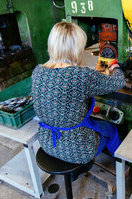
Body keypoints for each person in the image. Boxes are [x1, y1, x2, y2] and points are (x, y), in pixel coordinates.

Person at [31, 22, 125, 165]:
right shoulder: (80, 75)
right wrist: (115, 67)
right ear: (76, 48)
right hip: (78, 151)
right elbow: (118, 82)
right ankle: (121, 162)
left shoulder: (37, 71)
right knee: (111, 129)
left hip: (47, 143)